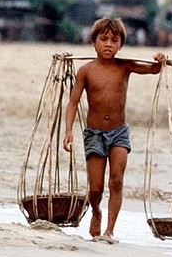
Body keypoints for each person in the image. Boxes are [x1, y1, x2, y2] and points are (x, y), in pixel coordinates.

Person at [63, 17, 166, 243]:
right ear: (94, 43)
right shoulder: (86, 71)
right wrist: (68, 130)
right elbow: (72, 103)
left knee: (116, 180)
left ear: (121, 45)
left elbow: (153, 70)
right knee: (96, 187)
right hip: (94, 134)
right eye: (103, 39)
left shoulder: (125, 66)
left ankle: (110, 230)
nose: (108, 44)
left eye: (114, 40)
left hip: (119, 132)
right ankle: (96, 211)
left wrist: (159, 61)